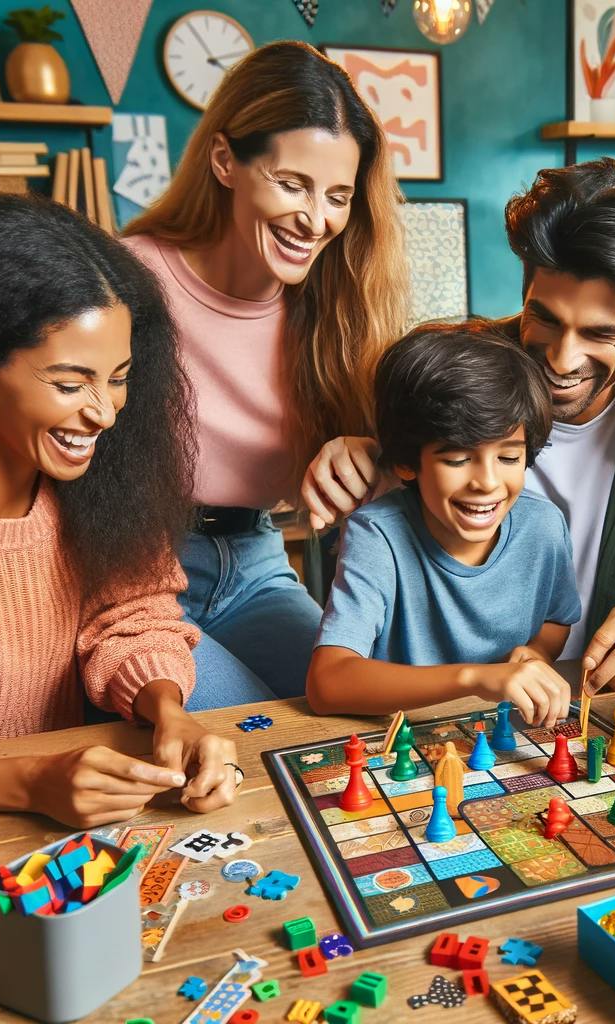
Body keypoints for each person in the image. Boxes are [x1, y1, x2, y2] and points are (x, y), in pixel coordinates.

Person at [313, 158, 615, 693]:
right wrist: (365, 449)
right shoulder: (447, 372)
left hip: (602, 708)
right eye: (545, 318)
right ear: (525, 288)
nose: (562, 359)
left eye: (599, 332)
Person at [122, 41, 407, 699]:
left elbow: (412, 460)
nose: (317, 219)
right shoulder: (127, 278)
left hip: (255, 562)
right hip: (137, 575)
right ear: (226, 161)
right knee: (254, 740)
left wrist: (370, 449)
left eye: (337, 195)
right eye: (292, 183)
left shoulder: (338, 305)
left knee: (350, 707)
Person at [0, 195, 241, 828]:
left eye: (119, 376)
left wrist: (170, 711)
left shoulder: (97, 483)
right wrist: (28, 781)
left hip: (61, 828)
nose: (103, 412)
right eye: (70, 384)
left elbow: (132, 613)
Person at [307, 322, 581, 728]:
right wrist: (475, 677)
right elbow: (327, 683)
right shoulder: (377, 534)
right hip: (400, 741)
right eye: (457, 459)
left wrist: (537, 653)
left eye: (508, 458)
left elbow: (557, 619)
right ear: (405, 461)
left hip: (496, 734)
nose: (486, 482)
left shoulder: (544, 524)